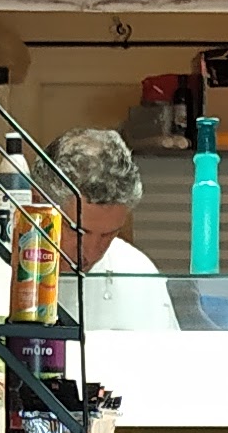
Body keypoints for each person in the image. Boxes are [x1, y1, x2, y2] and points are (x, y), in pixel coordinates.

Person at [49, 125, 178, 333]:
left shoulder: (139, 273)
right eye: (78, 231)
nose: (91, 252)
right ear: (39, 202)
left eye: (108, 235)